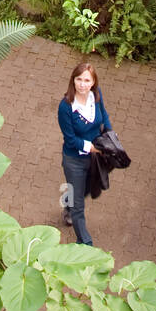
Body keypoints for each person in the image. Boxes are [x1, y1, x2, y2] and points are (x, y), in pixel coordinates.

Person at [58, 63, 112, 246]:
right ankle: (86, 245)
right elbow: (70, 139)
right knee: (78, 207)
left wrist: (110, 136)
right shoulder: (65, 107)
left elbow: (103, 116)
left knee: (88, 188)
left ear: (93, 82)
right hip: (74, 160)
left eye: (86, 80)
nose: (82, 84)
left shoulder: (96, 96)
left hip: (94, 159)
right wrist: (93, 147)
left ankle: (67, 201)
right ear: (73, 81)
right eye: (78, 79)